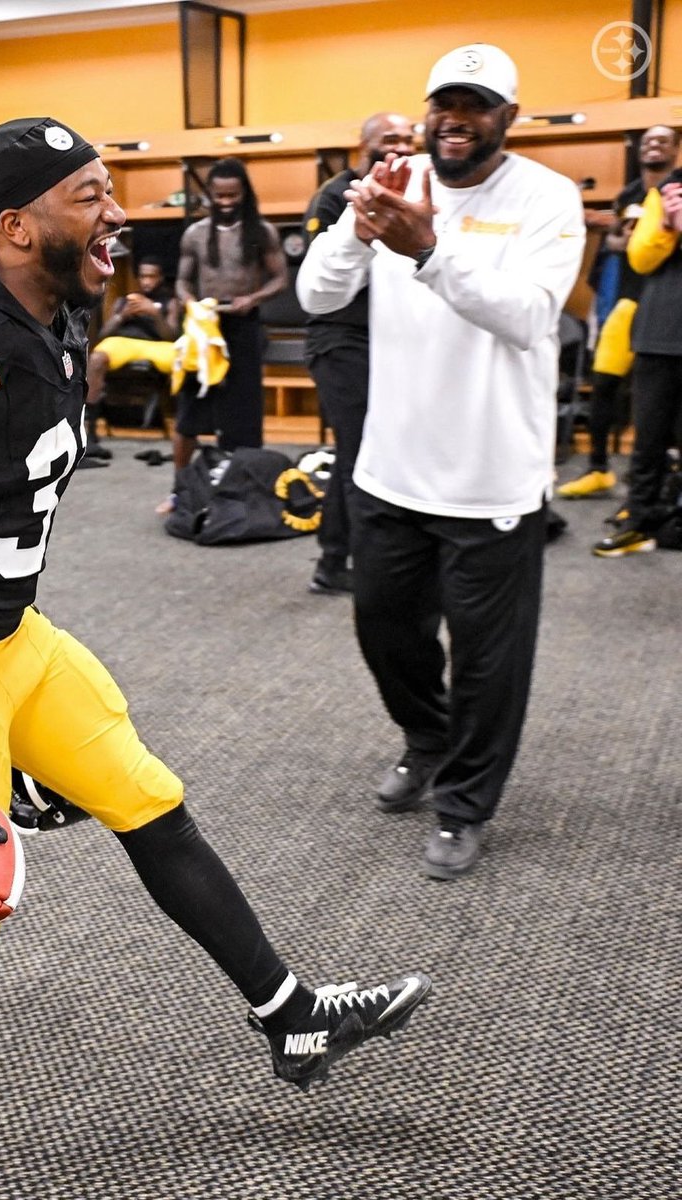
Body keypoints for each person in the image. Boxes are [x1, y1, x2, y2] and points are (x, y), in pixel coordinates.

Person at [0, 117, 431, 1200]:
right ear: (15, 225)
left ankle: (290, 1017)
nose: (117, 213)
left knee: (149, 801)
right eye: (89, 195)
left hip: (12, 636)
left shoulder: (55, 314)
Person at [297, 44, 585, 880]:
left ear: (508, 117)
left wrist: (427, 250)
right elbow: (317, 295)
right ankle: (427, 739)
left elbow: (530, 317)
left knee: (490, 661)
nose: (455, 119)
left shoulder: (546, 197)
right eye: (443, 104)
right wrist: (358, 230)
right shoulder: (397, 182)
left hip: (493, 477)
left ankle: (465, 803)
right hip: (392, 466)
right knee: (385, 629)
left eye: (476, 105)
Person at [301, 112, 416, 595]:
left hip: (391, 340)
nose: (401, 146)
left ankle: (338, 558)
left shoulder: (414, 195)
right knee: (358, 450)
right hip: (340, 339)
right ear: (363, 145)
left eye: (408, 138)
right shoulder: (337, 195)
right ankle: (351, 563)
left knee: (368, 450)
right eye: (389, 138)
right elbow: (324, 274)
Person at [558, 126, 681, 500]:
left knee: (658, 403)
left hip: (668, 310)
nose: (653, 146)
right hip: (628, 301)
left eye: (662, 141)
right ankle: (598, 469)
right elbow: (613, 240)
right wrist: (621, 239)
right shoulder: (628, 194)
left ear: (675, 149)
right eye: (648, 141)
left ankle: (661, 487)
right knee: (604, 385)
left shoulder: (676, 191)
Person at [159, 158, 288, 513]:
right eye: (220, 196)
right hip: (204, 327)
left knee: (243, 415)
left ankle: (243, 493)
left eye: (233, 195)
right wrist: (190, 302)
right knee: (189, 411)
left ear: (244, 193)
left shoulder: (262, 232)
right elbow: (182, 281)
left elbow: (280, 279)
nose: (226, 202)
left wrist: (254, 298)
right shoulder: (195, 234)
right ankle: (179, 492)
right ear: (210, 195)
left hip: (244, 325)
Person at [592, 163, 682, 556]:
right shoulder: (671, 188)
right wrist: (666, 228)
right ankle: (639, 521)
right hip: (659, 328)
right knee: (648, 438)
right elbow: (640, 257)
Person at [84, 255, 179, 458]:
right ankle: (91, 428)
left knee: (183, 360)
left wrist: (154, 313)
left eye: (151, 277)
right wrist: (122, 315)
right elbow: (103, 334)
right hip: (125, 342)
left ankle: (183, 429)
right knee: (96, 358)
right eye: (143, 276)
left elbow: (171, 336)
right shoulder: (125, 300)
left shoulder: (170, 302)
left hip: (157, 345)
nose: (146, 281)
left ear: (160, 278)